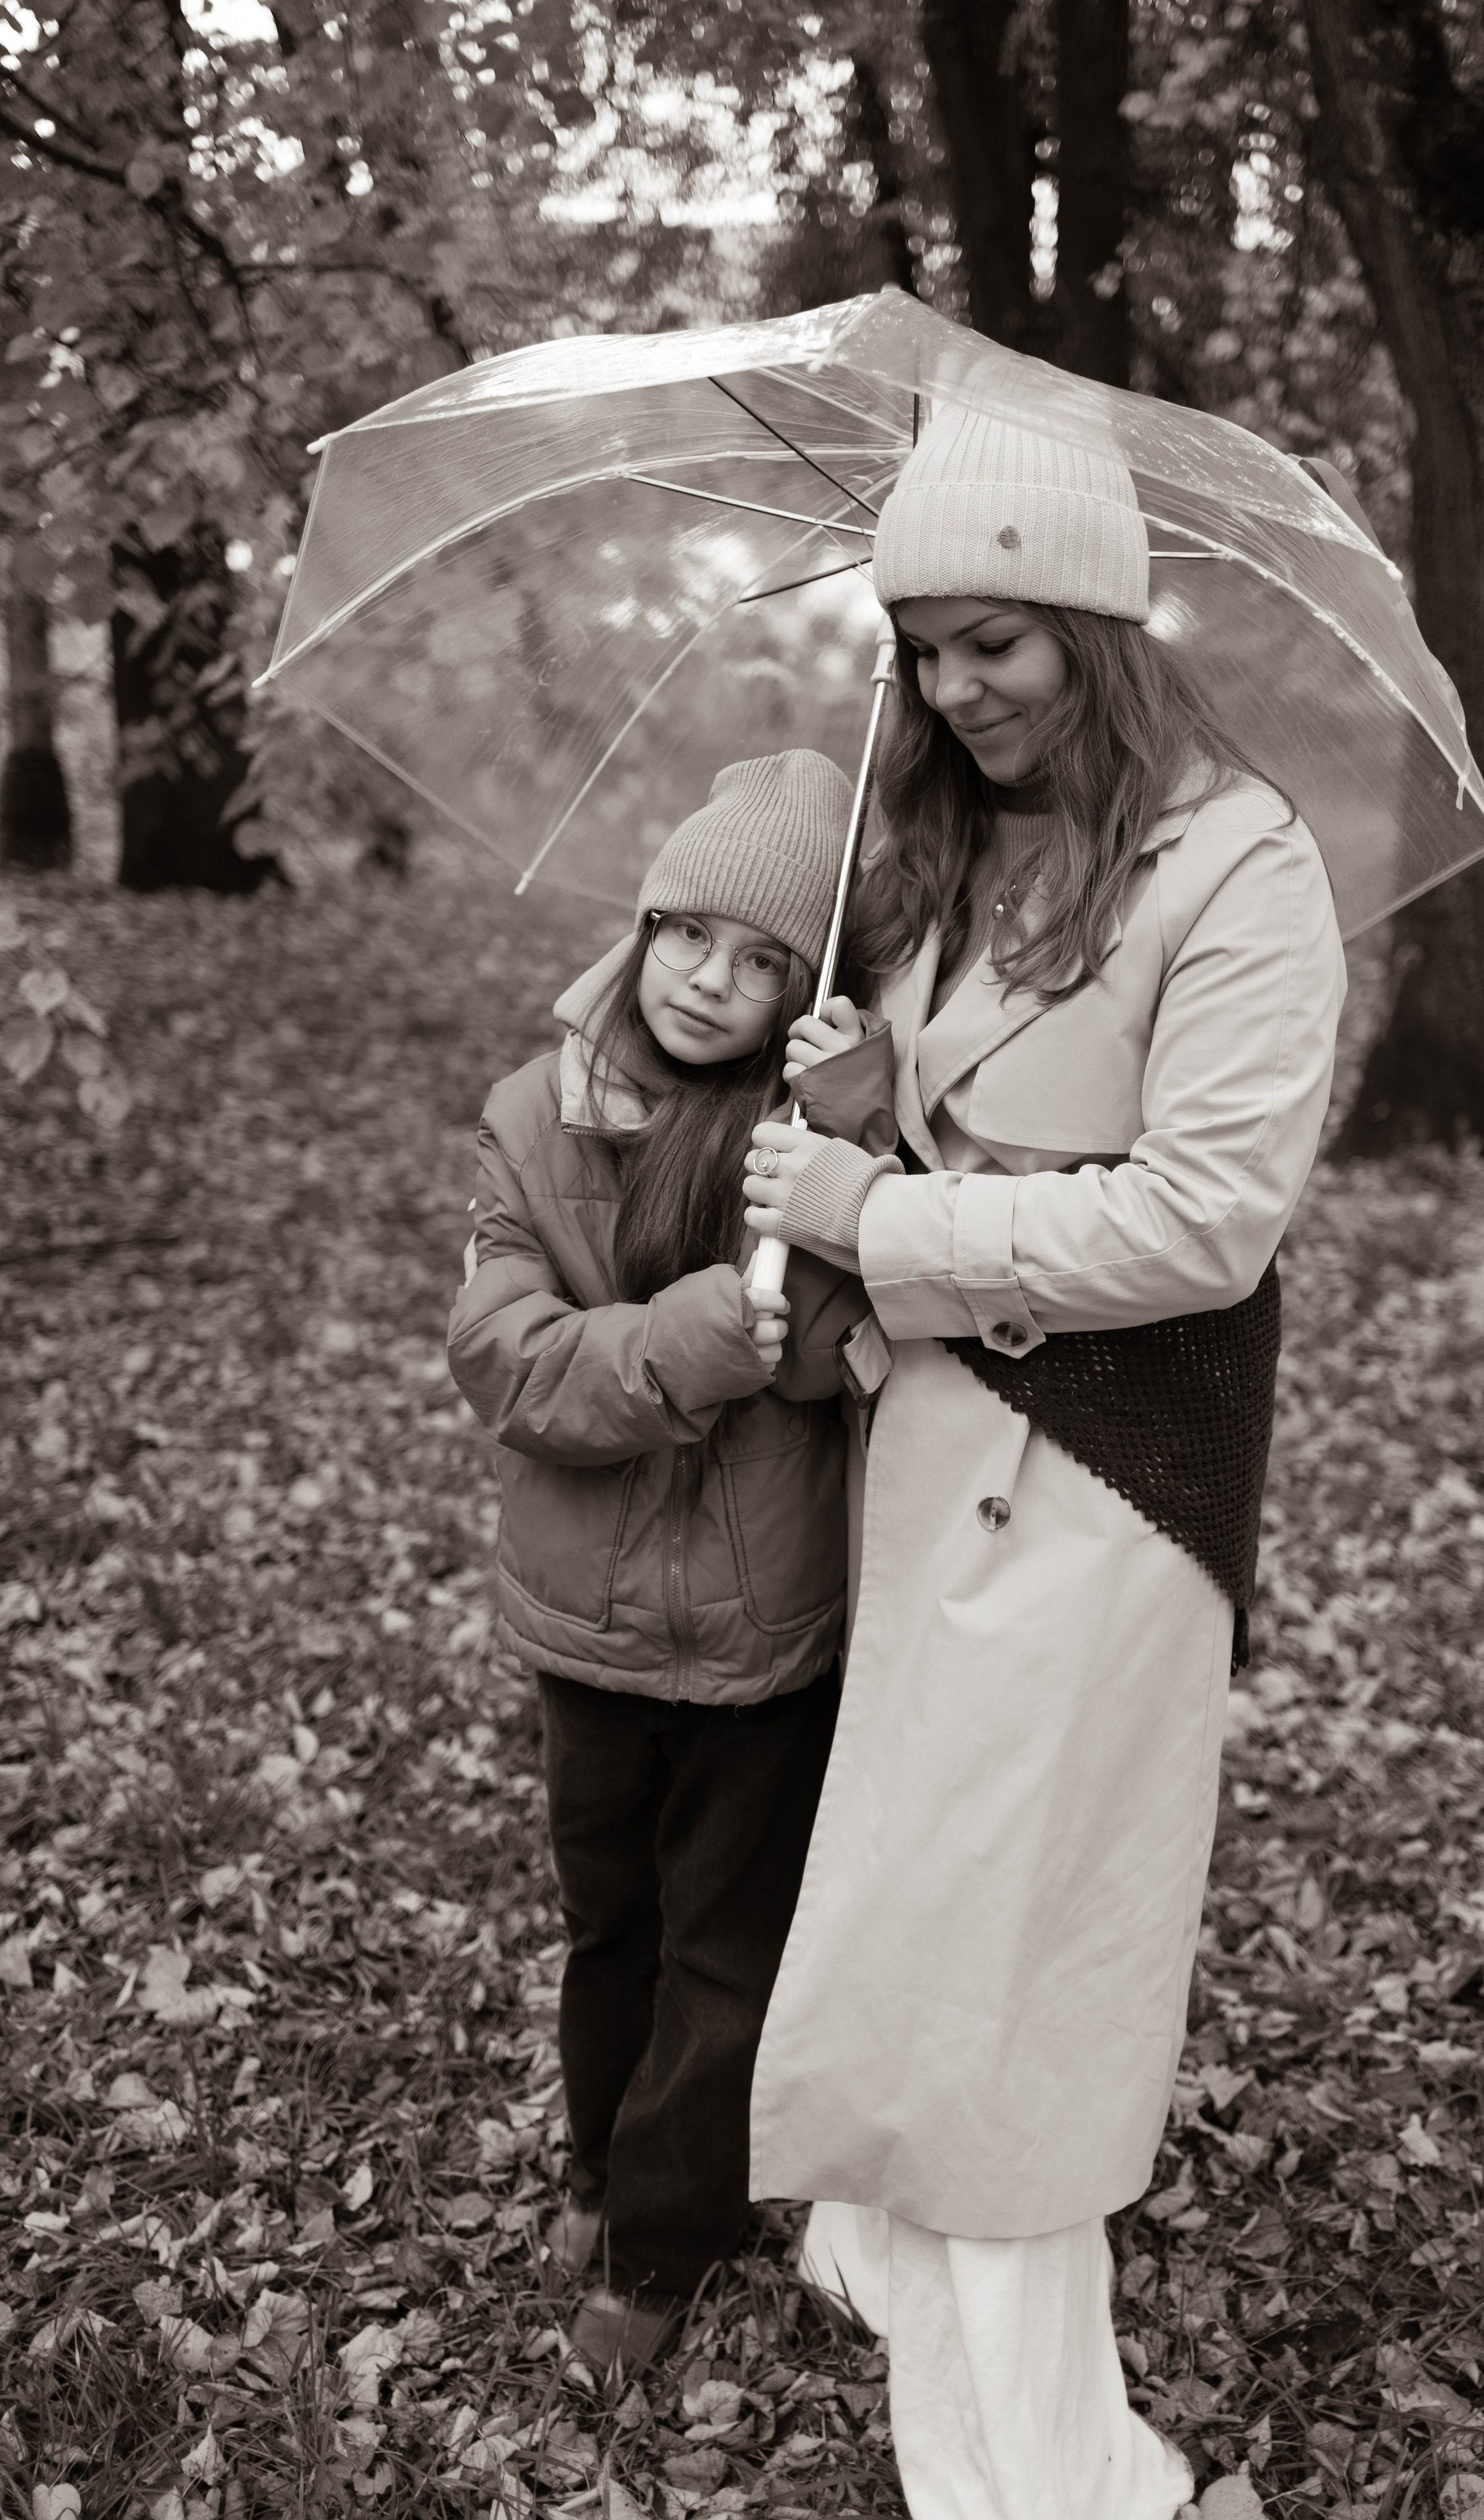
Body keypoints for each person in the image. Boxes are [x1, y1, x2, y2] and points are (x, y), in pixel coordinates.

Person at [735, 410, 1348, 2519]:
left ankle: (1048, 2480)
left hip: (1112, 1480)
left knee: (1001, 2002)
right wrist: (863, 1097)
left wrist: (877, 1217)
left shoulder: (1240, 861)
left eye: (993, 642)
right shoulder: (953, 846)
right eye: (920, 648)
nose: (952, 691)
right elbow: (958, 1119)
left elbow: (1203, 1220)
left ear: (1100, 616)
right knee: (924, 1942)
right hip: (932, 1455)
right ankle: (911, 2285)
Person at [446, 750, 894, 2378]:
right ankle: (591, 2156)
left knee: (722, 1945)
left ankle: (657, 2239)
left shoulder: (814, 1137)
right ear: (641, 928)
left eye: (763, 956)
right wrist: (690, 1336)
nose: (713, 979)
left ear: (805, 986)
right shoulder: (528, 1122)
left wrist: (854, 1164)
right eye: (689, 934)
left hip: (765, 1633)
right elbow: (504, 1361)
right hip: (586, 1629)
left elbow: (860, 1348)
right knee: (607, 1925)